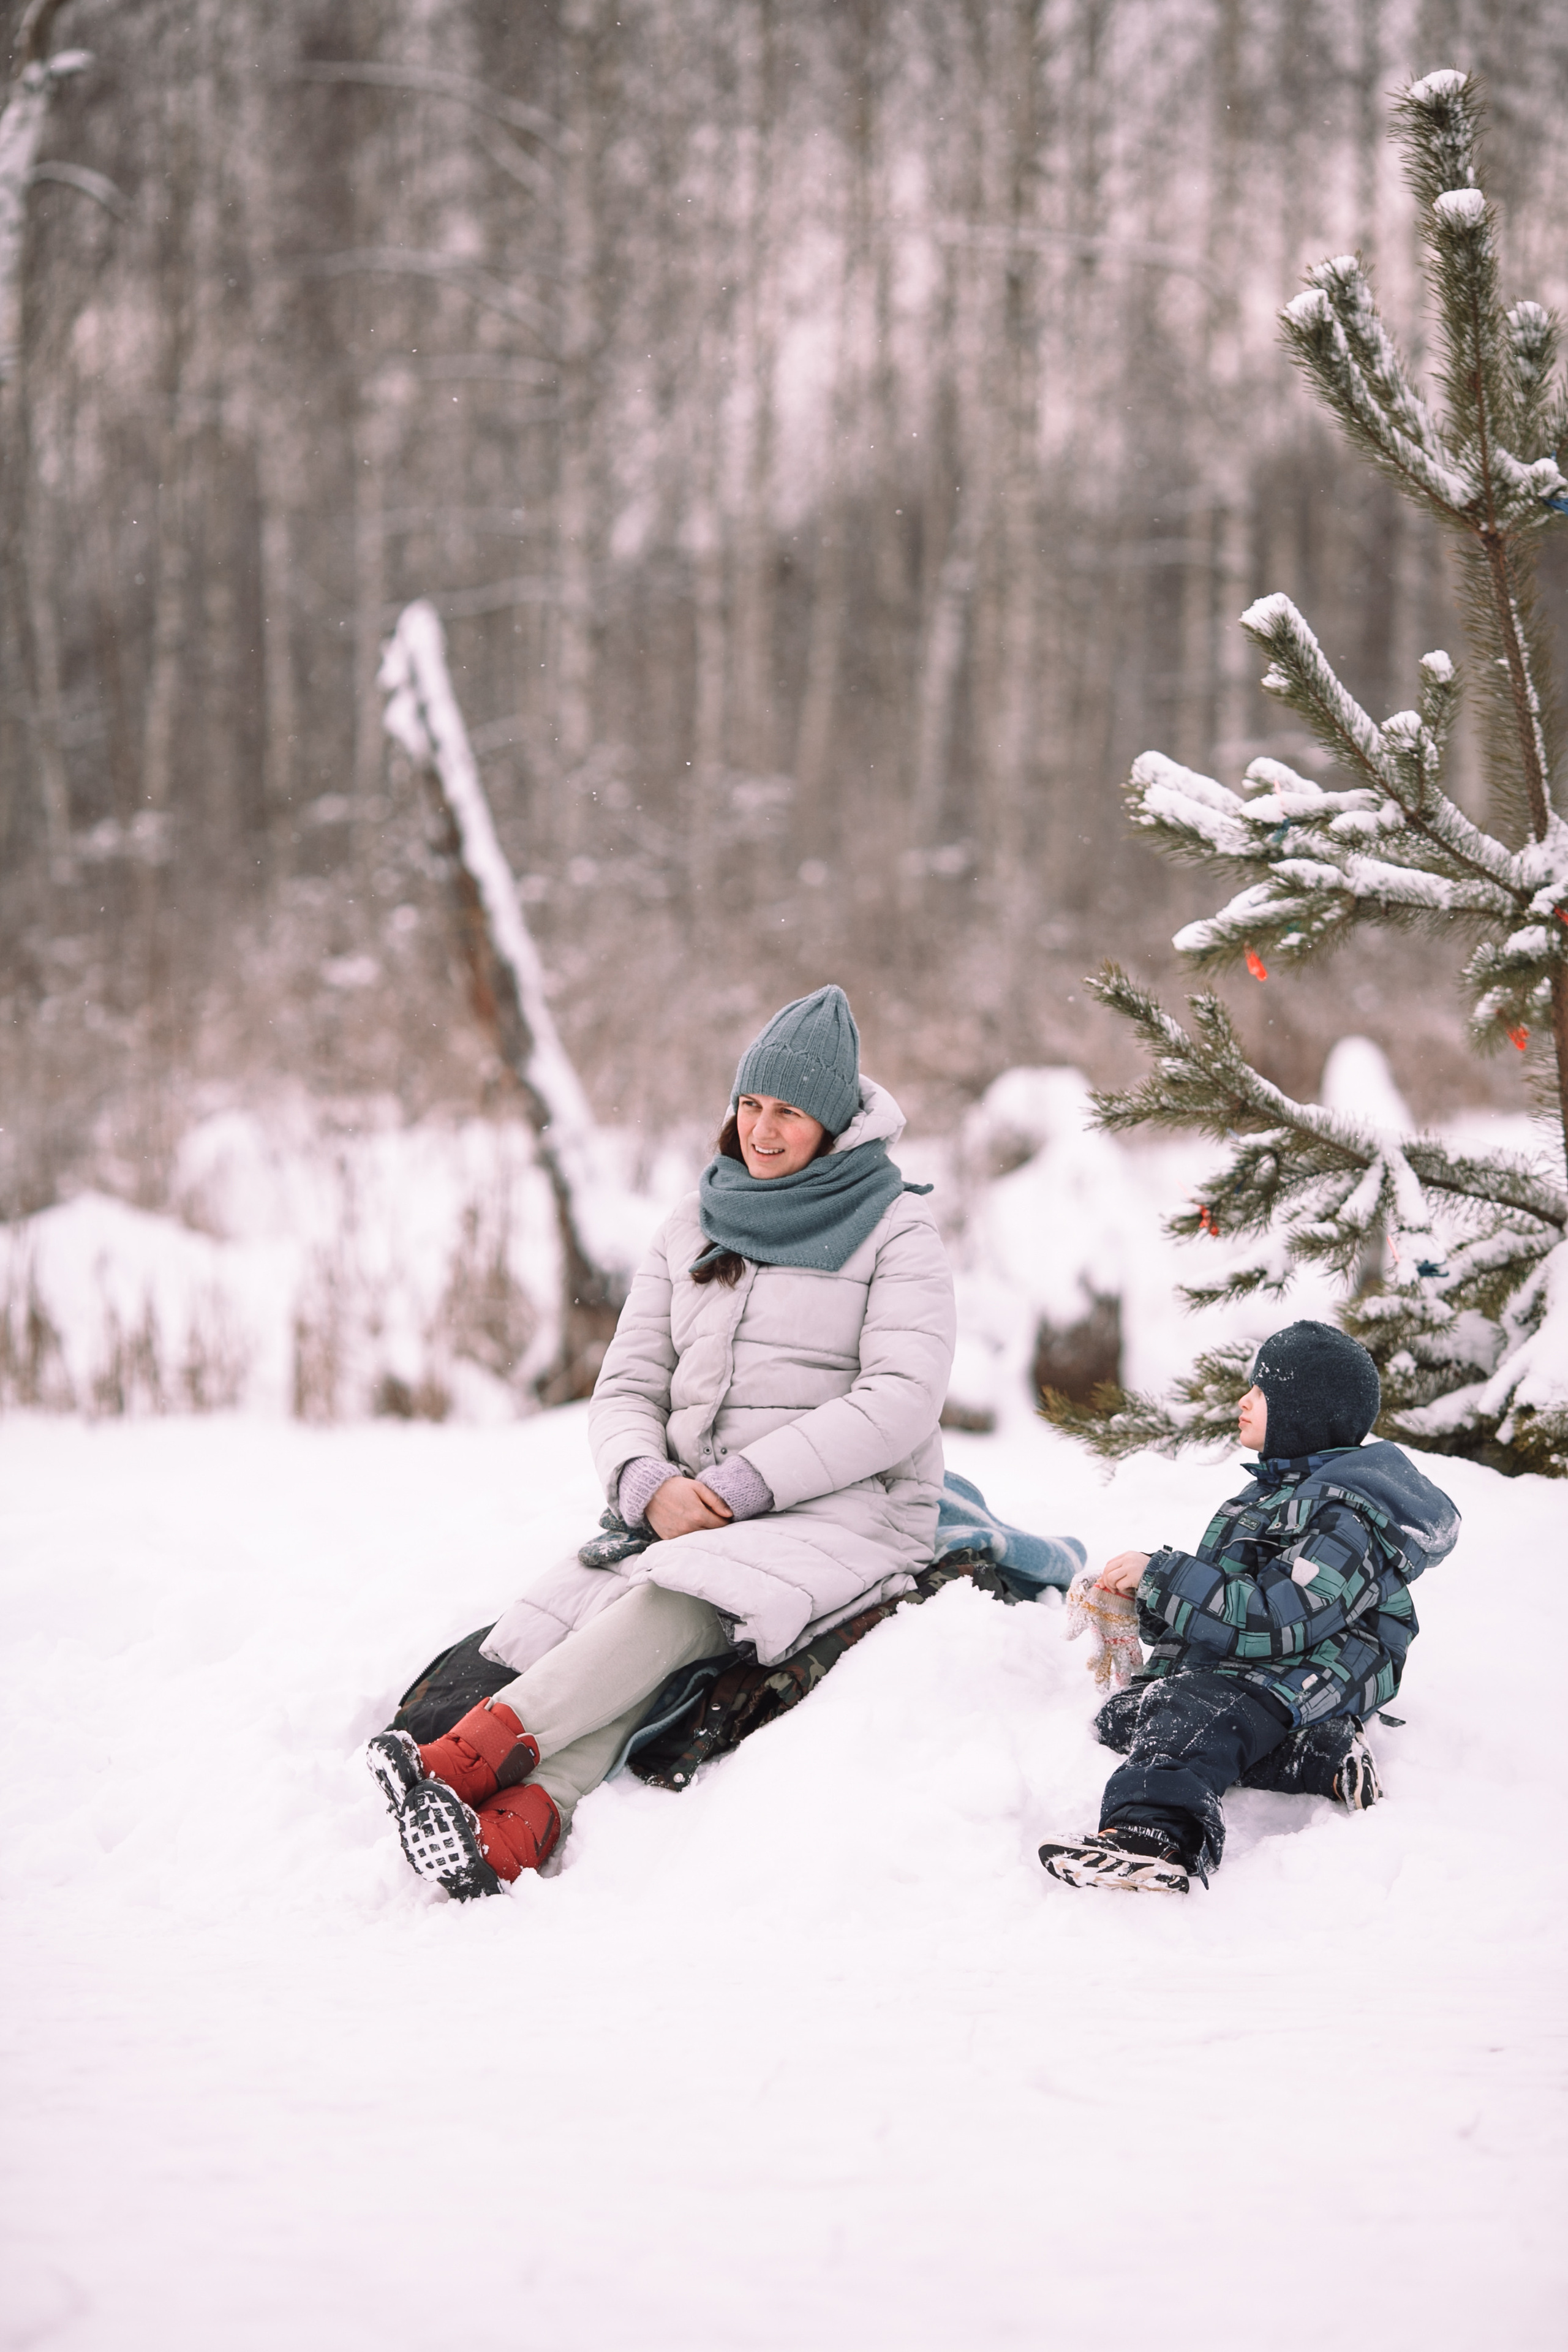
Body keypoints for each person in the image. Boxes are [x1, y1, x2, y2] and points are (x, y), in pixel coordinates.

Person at [368, 983, 957, 1898]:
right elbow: (628, 1384)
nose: (762, 1131)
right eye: (750, 1106)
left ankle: (460, 1762)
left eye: (790, 1113)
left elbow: (901, 1401)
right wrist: (644, 1481)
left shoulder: (898, 1226)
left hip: (849, 1507)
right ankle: (513, 1833)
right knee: (639, 1625)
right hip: (688, 1508)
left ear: (837, 1122)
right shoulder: (693, 1222)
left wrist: (738, 1490)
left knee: (683, 1599)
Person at [1038, 1321, 1460, 1895]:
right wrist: (1147, 1599)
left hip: (1317, 1666)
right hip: (1267, 1665)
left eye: (1261, 1394)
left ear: (1304, 1414)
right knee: (1128, 1716)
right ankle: (1317, 1754)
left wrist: (1163, 1576)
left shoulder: (1346, 1518)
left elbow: (1274, 1619)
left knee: (1187, 1717)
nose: (1243, 1401)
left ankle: (1152, 1839)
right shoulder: (1267, 1496)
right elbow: (1229, 1600)